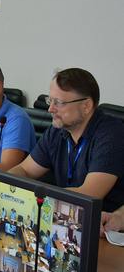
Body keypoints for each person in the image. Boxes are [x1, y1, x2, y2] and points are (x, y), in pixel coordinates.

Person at [9, 68, 124, 212]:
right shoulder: (57, 130)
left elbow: (89, 195)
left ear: (86, 106)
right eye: (50, 100)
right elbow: (24, 170)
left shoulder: (111, 134)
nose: (50, 109)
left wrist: (37, 200)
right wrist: (6, 184)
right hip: (62, 214)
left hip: (102, 221)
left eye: (59, 102)